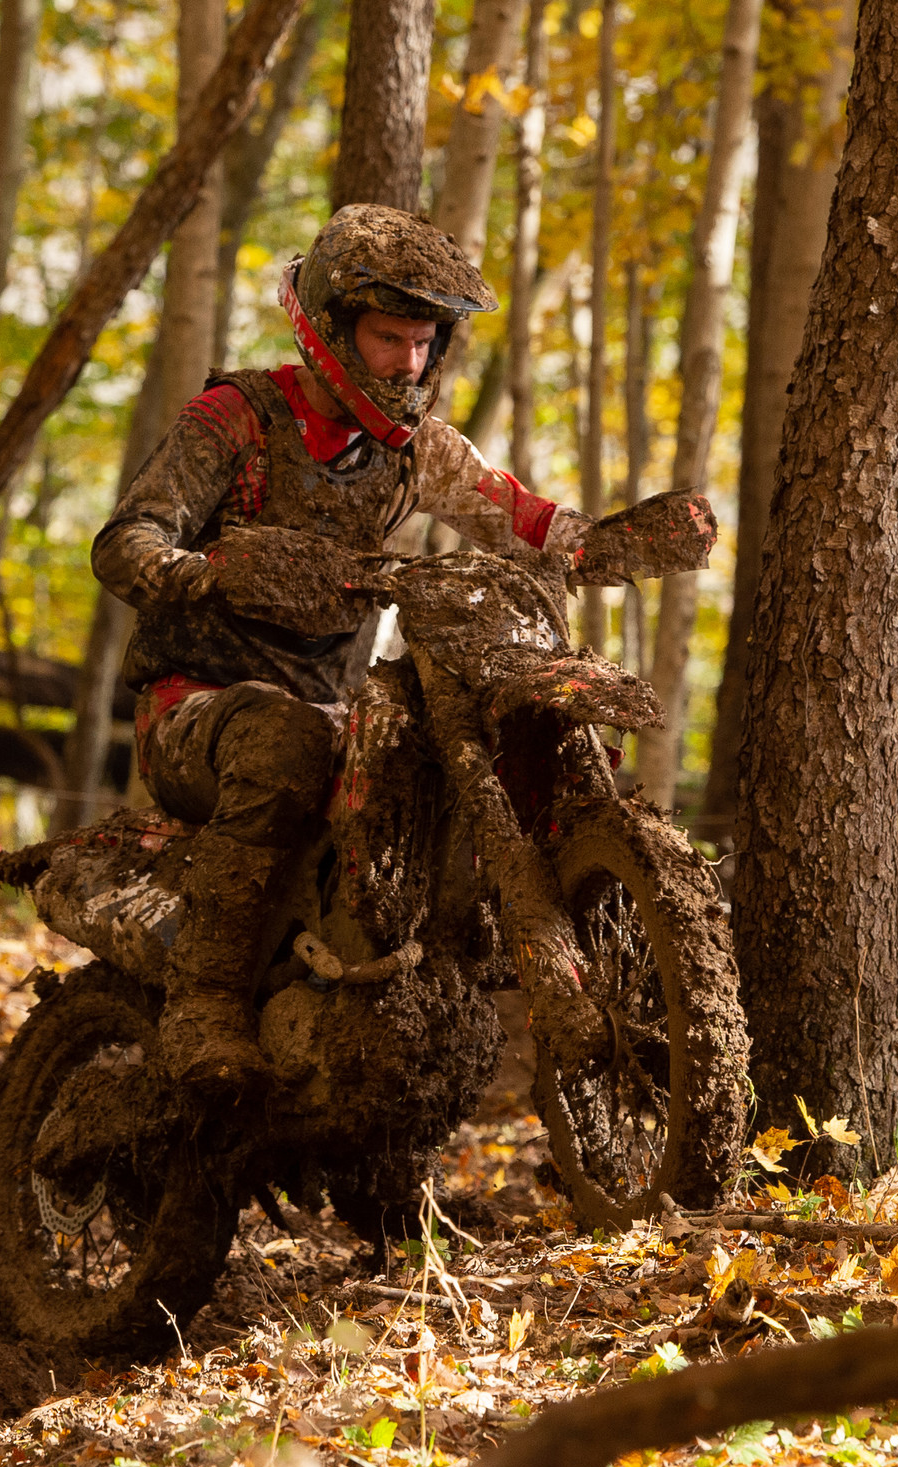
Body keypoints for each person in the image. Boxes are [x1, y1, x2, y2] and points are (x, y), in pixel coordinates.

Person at [91, 204, 598, 1088]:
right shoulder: (236, 418)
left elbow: (515, 511)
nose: (409, 362)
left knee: (428, 759)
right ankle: (203, 1006)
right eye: (388, 339)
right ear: (330, 330)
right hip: (192, 709)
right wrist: (200, 572)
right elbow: (126, 538)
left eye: (423, 343)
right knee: (285, 738)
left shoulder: (414, 453)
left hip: (333, 711)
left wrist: (600, 543)